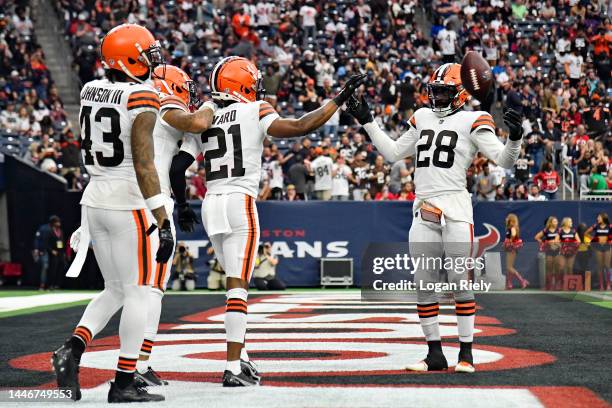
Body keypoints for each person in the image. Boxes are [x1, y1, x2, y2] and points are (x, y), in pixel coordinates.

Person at [169, 56, 365, 386]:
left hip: (210, 203)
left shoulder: (207, 115)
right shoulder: (254, 109)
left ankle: (241, 356)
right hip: (239, 201)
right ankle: (232, 367)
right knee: (238, 289)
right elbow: (302, 125)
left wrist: (183, 206)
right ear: (241, 84)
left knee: (233, 284)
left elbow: (177, 169)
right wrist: (339, 99)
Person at [347, 62, 523, 373]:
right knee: (423, 283)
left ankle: (466, 353)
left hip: (455, 207)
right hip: (424, 206)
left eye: (444, 92)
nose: (438, 98)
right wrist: (367, 121)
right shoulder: (422, 116)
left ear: (460, 94)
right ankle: (434, 354)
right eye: (435, 91)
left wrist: (515, 138)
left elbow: (504, 160)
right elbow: (391, 153)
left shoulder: (474, 119)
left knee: (458, 280)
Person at [52, 24, 174, 403]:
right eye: (148, 53)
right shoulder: (142, 95)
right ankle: (123, 382)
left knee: (115, 290)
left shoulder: (90, 88)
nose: (154, 60)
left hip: (94, 198)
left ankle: (71, 350)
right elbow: (143, 162)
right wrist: (161, 216)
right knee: (139, 292)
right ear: (131, 59)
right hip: (127, 201)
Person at [135, 64, 215, 387]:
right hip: (154, 203)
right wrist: (212, 105)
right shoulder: (164, 103)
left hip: (124, 196)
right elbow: (178, 164)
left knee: (124, 289)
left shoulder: (134, 101)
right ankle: (137, 364)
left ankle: (82, 346)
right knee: (153, 288)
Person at [33, 215, 65, 290]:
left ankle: (52, 285)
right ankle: (42, 285)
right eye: (57, 222)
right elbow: (40, 240)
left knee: (52, 267)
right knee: (45, 266)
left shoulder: (58, 230)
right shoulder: (45, 229)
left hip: (54, 251)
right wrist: (37, 249)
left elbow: (58, 241)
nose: (59, 223)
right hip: (44, 251)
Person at [585, 213, 610, 290]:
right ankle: (601, 285)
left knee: (607, 266)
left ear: (603, 218)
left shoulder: (610, 226)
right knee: (600, 266)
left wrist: (609, 239)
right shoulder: (596, 226)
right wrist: (594, 239)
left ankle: (608, 284)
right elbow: (586, 233)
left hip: (607, 247)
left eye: (599, 217)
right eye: (597, 217)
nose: (597, 219)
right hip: (598, 247)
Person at [535, 216, 560, 290]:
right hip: (549, 251)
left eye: (557, 221)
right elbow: (536, 237)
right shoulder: (546, 230)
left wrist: (558, 243)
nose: (556, 223)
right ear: (550, 222)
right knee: (549, 268)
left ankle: (556, 285)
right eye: (555, 221)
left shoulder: (559, 230)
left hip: (557, 251)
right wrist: (545, 243)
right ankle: (548, 285)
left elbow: (562, 239)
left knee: (557, 268)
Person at [503, 214, 528, 289]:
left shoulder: (513, 228)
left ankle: (522, 281)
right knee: (509, 267)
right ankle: (509, 284)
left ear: (512, 220)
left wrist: (509, 241)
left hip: (512, 249)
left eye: (508, 219)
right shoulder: (510, 228)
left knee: (509, 267)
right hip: (510, 249)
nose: (506, 219)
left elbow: (513, 235)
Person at [558, 217, 580, 284]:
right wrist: (562, 246)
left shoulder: (573, 231)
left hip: (572, 252)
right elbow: (556, 241)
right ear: (566, 222)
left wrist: (573, 246)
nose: (571, 223)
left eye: (571, 222)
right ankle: (561, 283)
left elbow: (579, 241)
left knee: (570, 268)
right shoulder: (560, 231)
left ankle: (569, 284)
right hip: (562, 252)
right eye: (570, 221)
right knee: (561, 267)